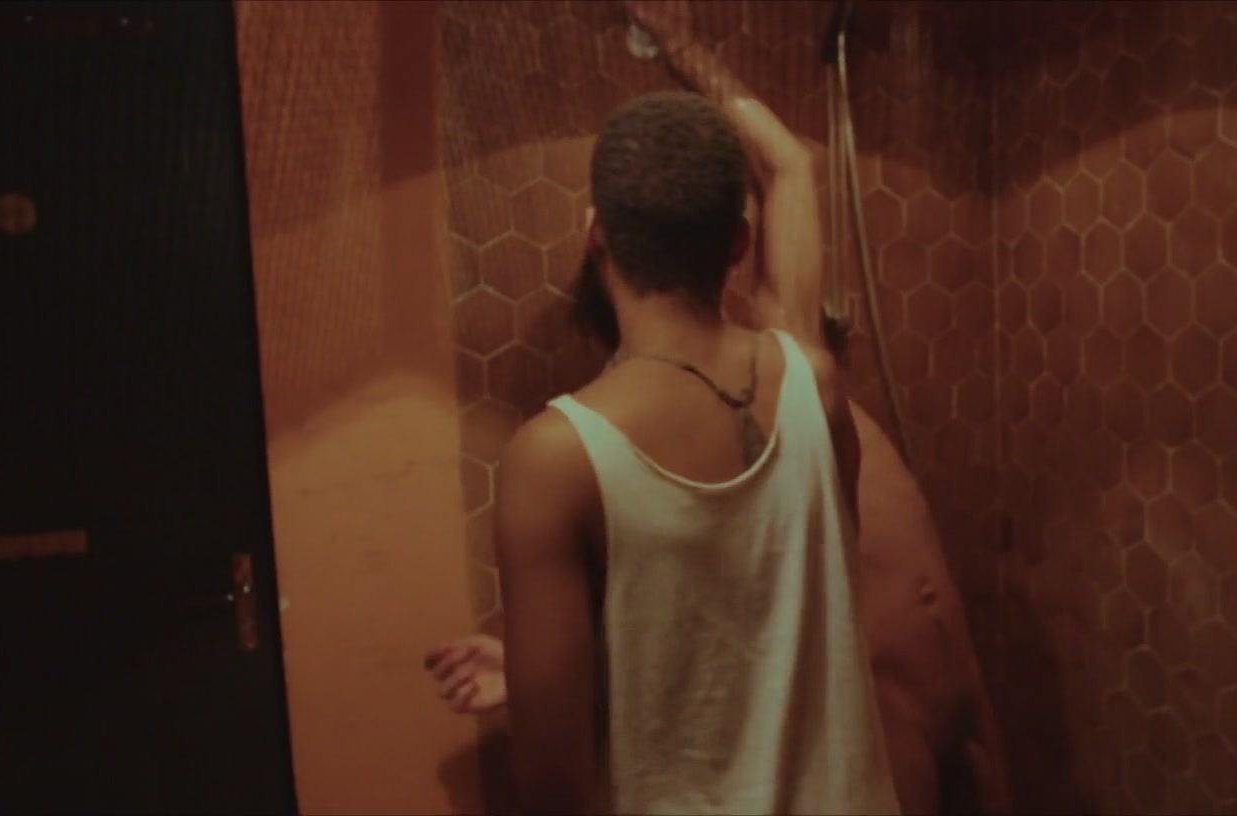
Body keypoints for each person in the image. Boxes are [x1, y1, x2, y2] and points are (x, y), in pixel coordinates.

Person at [427, 4, 1011, 814]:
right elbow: (787, 162)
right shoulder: (808, 377)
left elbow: (556, 784)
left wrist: (549, 683)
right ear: (739, 245)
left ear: (596, 237)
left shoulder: (559, 454)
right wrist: (684, 45)